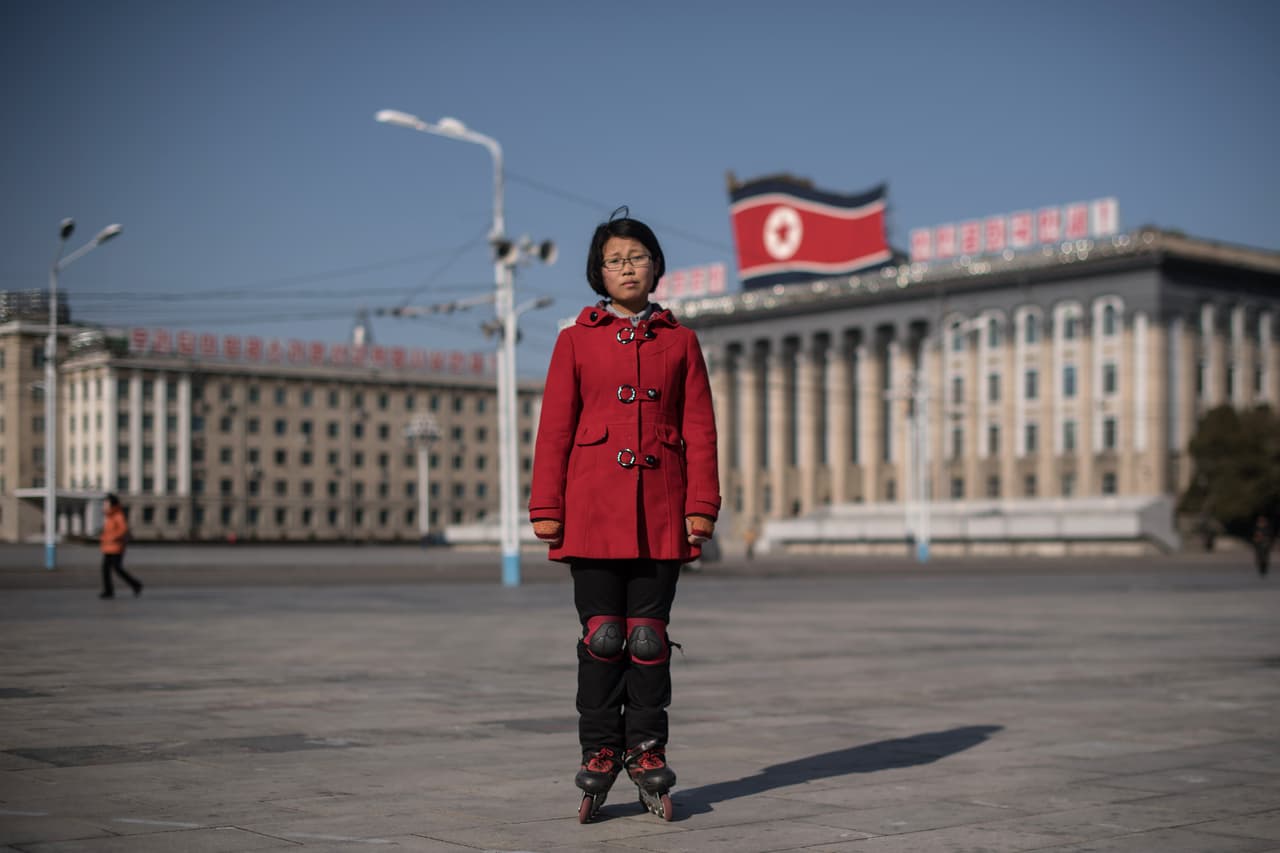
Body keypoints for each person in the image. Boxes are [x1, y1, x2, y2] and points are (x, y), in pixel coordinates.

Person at [529, 210, 719, 819]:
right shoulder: (574, 341)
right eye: (615, 259)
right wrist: (546, 505)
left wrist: (701, 506)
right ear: (598, 272)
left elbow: (701, 431)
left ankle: (646, 749)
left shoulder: (681, 342)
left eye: (637, 256)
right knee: (602, 637)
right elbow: (554, 428)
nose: (627, 267)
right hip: (591, 508)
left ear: (656, 266)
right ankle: (600, 753)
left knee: (647, 638)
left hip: (662, 508)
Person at [99, 493, 142, 598]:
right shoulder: (110, 515)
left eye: (106, 502)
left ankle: (135, 584)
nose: (104, 504)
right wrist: (104, 537)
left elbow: (123, 529)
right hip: (108, 547)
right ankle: (109, 590)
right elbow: (108, 531)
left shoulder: (118, 515)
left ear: (111, 503)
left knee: (117, 569)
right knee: (106, 569)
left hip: (116, 547)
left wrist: (112, 537)